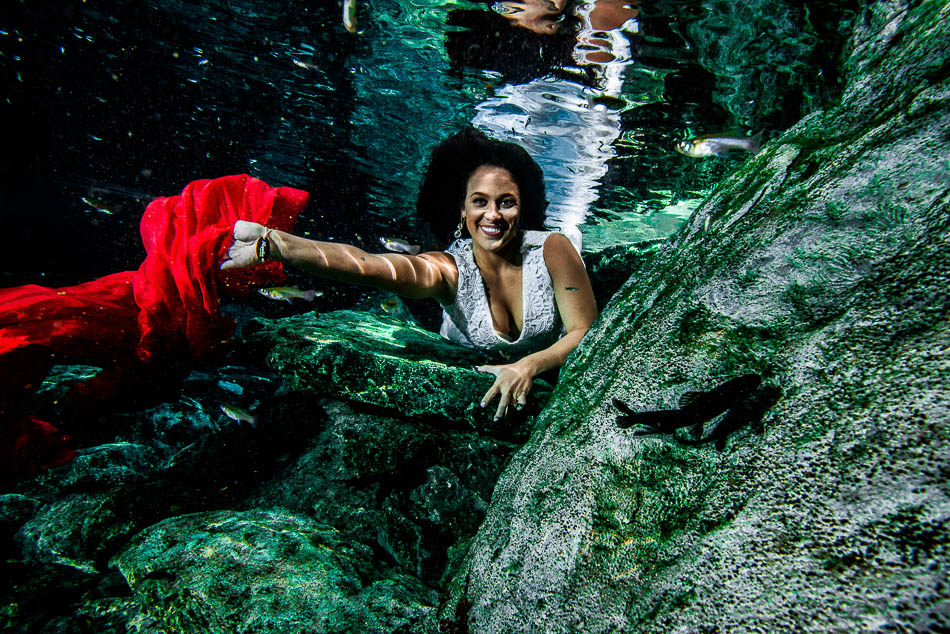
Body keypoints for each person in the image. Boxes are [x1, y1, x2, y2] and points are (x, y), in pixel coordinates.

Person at [221, 128, 597, 421]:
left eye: (507, 203)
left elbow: (583, 330)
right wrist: (278, 244)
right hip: (460, 340)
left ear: (523, 205)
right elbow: (368, 266)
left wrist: (528, 365)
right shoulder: (450, 269)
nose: (493, 215)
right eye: (479, 202)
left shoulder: (552, 249)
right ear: (462, 211)